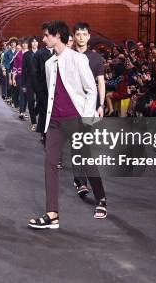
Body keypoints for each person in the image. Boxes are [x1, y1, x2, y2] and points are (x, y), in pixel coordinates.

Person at [28, 20, 107, 230]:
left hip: (77, 120)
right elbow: (51, 93)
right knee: (50, 163)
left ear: (56, 36)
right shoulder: (48, 63)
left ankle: (101, 198)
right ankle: (52, 214)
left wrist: (87, 117)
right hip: (54, 122)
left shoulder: (78, 59)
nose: (43, 39)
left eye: (46, 35)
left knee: (86, 160)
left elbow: (91, 90)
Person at [72, 22, 106, 197]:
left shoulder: (96, 58)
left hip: (89, 107)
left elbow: (101, 82)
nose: (81, 37)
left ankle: (82, 179)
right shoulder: (68, 57)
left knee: (83, 144)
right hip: (70, 107)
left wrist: (101, 105)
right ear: (74, 36)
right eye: (78, 34)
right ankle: (81, 182)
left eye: (84, 34)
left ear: (88, 36)